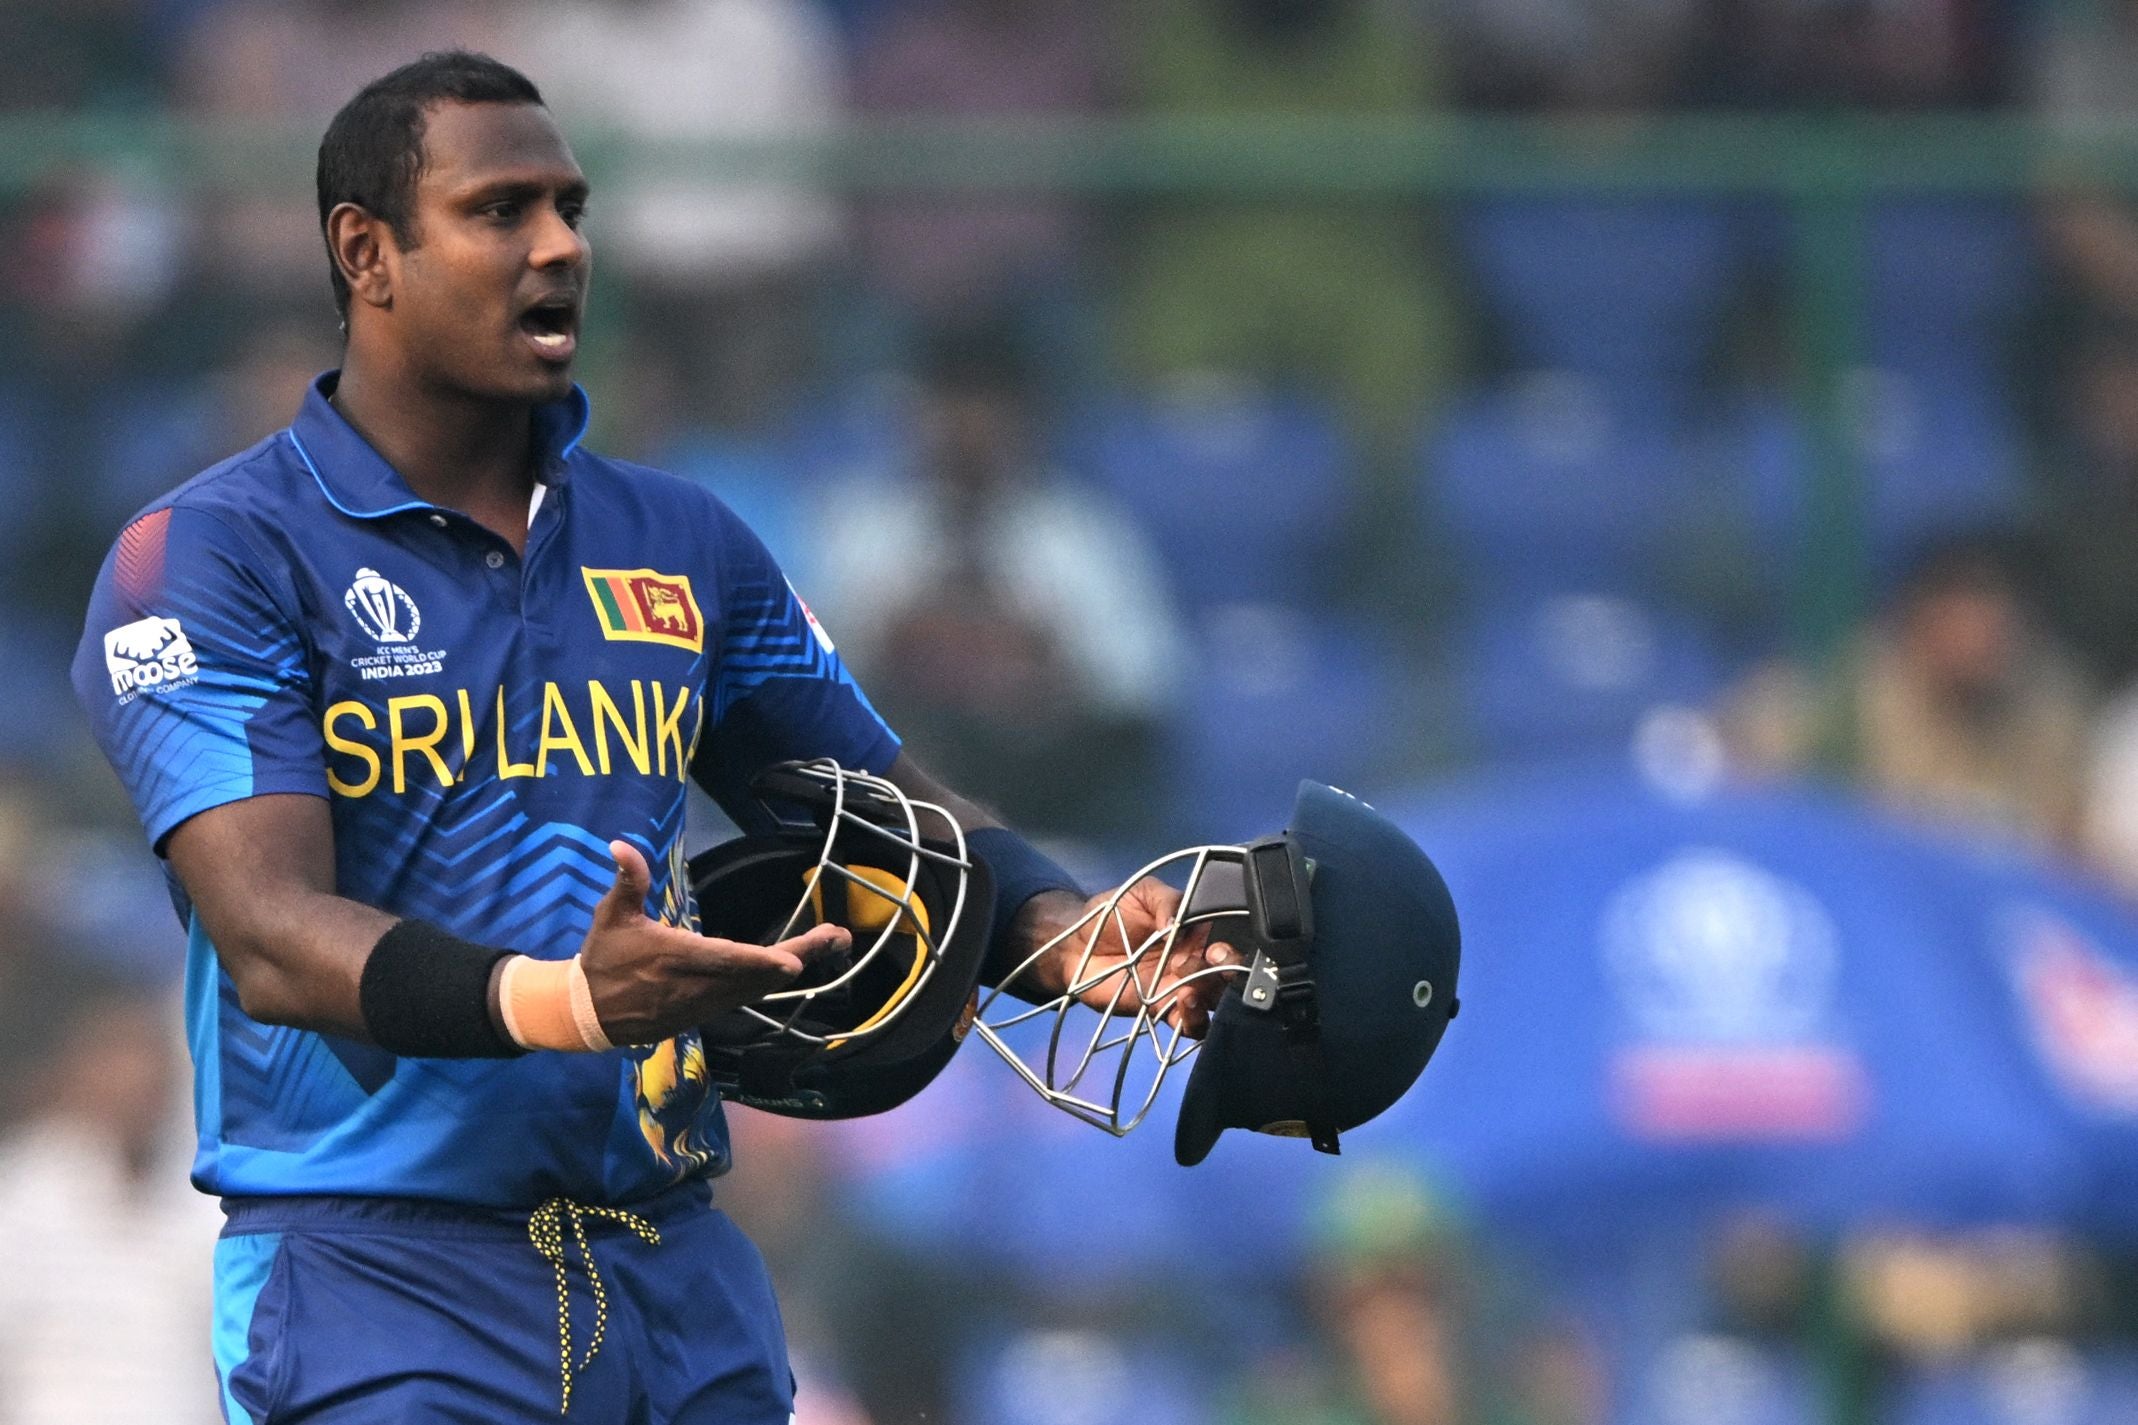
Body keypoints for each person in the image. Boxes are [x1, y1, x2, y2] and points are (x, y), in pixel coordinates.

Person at [71, 51, 1226, 1424]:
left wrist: (1059, 926)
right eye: (501, 210)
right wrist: (568, 1000)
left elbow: (879, 808)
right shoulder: (207, 556)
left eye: (570, 207)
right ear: (365, 252)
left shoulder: (684, 542)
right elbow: (267, 933)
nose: (559, 244)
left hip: (674, 1270)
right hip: (380, 1279)